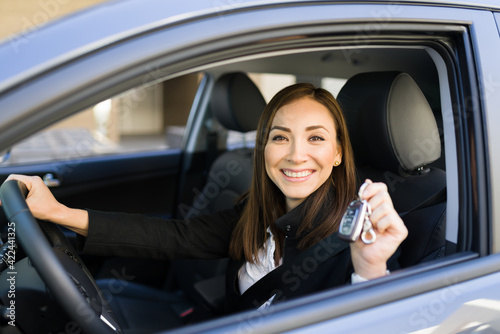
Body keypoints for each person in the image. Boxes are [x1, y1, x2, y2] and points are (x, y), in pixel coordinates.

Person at [3, 83, 407, 314]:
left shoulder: (357, 240)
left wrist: (369, 270)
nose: (295, 154)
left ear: (338, 153)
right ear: (262, 148)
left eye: (316, 138)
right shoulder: (257, 212)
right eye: (280, 136)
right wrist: (59, 212)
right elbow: (174, 237)